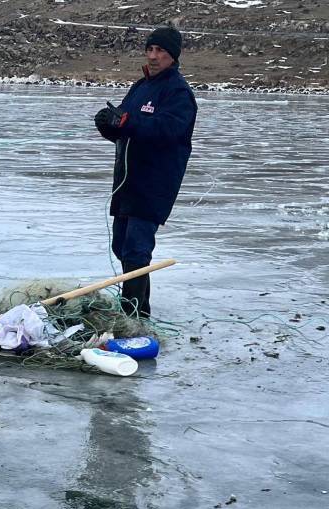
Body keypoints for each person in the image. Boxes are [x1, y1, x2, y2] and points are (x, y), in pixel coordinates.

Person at [94, 26, 197, 317]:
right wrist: (109, 126)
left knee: (137, 249)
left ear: (172, 56)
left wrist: (126, 122)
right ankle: (140, 306)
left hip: (154, 182)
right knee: (121, 246)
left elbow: (168, 130)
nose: (153, 56)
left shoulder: (178, 91)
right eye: (150, 49)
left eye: (160, 51)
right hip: (127, 181)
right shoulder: (140, 87)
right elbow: (126, 129)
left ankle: (135, 315)